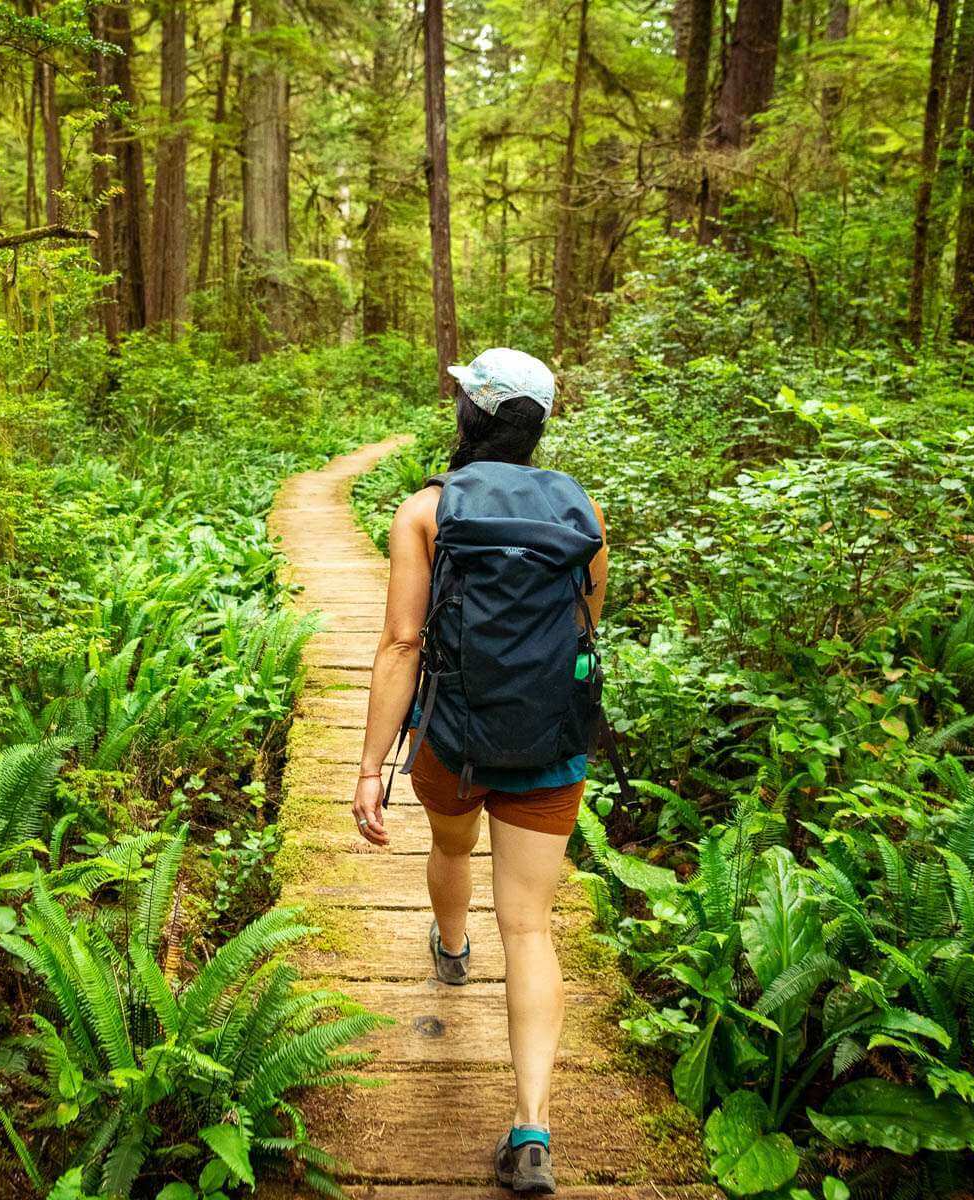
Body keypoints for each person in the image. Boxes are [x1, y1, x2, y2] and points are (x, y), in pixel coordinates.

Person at [349, 347, 607, 1197]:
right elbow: (585, 625)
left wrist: (370, 767)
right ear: (536, 426)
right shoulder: (582, 508)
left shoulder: (426, 509)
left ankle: (452, 946)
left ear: (469, 414)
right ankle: (533, 1128)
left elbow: (400, 643)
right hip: (547, 746)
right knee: (531, 927)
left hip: (451, 744)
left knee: (453, 849)